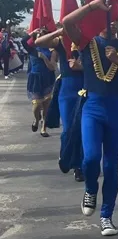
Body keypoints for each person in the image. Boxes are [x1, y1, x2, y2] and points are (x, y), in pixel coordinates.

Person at [61, 0, 118, 236]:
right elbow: (67, 22)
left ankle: (107, 216)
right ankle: (90, 188)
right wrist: (93, 5)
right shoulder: (87, 43)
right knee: (90, 158)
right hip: (92, 109)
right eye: (109, 16)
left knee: (110, 166)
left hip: (116, 110)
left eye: (116, 17)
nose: (112, 22)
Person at [35, 27, 85, 180]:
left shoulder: (89, 41)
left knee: (82, 129)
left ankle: (79, 166)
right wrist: (58, 32)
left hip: (86, 87)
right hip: (67, 90)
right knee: (69, 128)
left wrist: (81, 66)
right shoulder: (61, 42)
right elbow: (38, 42)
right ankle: (66, 155)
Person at [22, 28, 57, 137]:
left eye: (42, 36)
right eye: (38, 36)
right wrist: (33, 32)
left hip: (48, 79)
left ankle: (43, 128)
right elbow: (23, 41)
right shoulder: (32, 49)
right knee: (36, 105)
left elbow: (52, 68)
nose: (40, 37)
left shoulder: (52, 51)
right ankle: (37, 120)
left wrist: (43, 58)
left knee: (46, 105)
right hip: (35, 79)